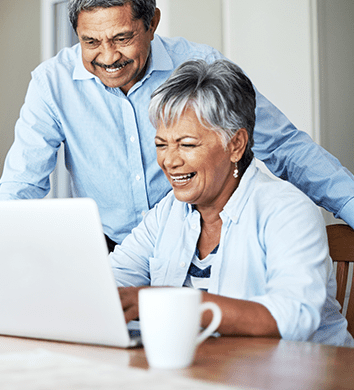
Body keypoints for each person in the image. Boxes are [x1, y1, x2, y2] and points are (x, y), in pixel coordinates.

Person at [0, 0, 354, 318]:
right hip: (128, 247)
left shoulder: (200, 68)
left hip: (208, 234)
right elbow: (20, 187)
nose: (108, 57)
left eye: (122, 38)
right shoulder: (52, 83)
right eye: (90, 41)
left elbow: (284, 148)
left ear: (151, 23)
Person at [111, 59, 354, 346]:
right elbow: (111, 281)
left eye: (187, 144)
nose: (169, 161)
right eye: (161, 144)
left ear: (236, 145)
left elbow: (295, 318)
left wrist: (173, 303)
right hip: (212, 373)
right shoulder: (168, 212)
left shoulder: (287, 210)